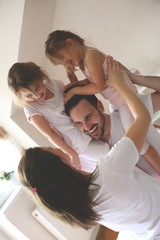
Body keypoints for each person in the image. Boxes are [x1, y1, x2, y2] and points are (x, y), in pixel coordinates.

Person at [18, 58, 160, 240]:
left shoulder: (85, 207)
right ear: (58, 162)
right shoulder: (107, 169)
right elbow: (142, 119)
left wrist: (133, 79)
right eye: (78, 123)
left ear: (99, 106)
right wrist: (120, 83)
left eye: (89, 117)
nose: (86, 127)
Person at [45, 30, 160, 175]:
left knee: (137, 142)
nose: (67, 63)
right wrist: (76, 84)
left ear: (70, 43)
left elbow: (98, 86)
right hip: (118, 102)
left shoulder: (90, 56)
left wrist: (75, 91)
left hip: (125, 101)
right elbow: (93, 79)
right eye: (62, 63)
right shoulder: (84, 62)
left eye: (64, 58)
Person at [7, 62, 110, 172]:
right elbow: (50, 135)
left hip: (89, 129)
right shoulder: (31, 109)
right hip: (79, 144)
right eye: (29, 95)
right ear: (21, 97)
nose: (36, 96)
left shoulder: (55, 85)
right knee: (112, 154)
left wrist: (73, 79)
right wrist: (72, 154)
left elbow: (76, 101)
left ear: (41, 77)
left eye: (36, 89)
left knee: (117, 145)